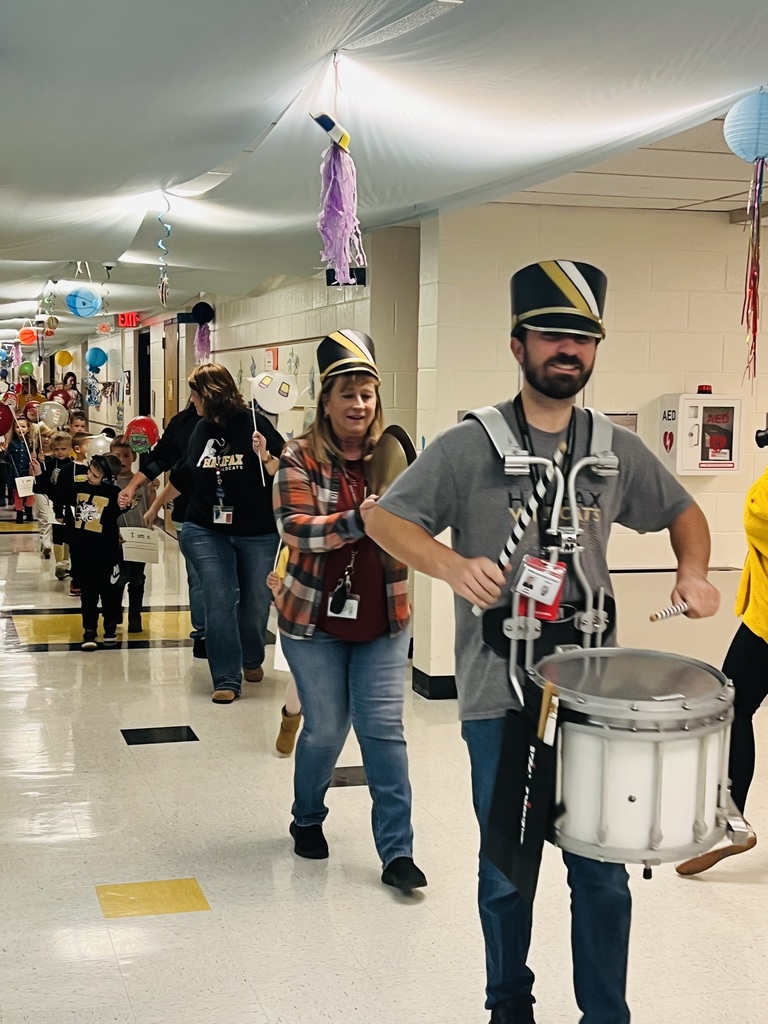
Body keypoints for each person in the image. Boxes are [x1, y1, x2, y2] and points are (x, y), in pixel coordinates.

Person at [366, 261, 720, 1022]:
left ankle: (605, 1014)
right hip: (500, 696)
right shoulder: (470, 446)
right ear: (518, 344)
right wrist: (451, 565)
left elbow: (684, 511)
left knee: (601, 875)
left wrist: (692, 572)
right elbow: (384, 519)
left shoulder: (614, 448)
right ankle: (508, 1005)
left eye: (584, 338)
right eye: (553, 335)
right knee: (506, 872)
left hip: (596, 702)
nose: (569, 350)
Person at [273, 330, 425, 891]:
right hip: (314, 620)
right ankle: (307, 817)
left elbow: (423, 522)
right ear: (326, 399)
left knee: (384, 730)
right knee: (327, 730)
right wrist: (363, 518)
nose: (359, 405)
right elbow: (296, 530)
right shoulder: (298, 456)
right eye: (348, 394)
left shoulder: (397, 453)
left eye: (367, 395)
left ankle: (398, 853)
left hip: (385, 617)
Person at [145, 362, 284, 703]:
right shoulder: (200, 430)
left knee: (255, 602)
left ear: (209, 394)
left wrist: (265, 456)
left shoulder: (255, 424)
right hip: (205, 527)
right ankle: (225, 678)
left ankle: (251, 656)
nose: (192, 402)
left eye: (195, 394)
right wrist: (154, 507)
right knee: (220, 598)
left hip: (258, 530)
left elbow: (290, 467)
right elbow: (185, 475)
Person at [675, 466, 767, 876]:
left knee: (733, 707)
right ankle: (730, 821)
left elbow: (758, 512)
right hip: (762, 619)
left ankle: (730, 821)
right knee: (731, 707)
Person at [118, 399, 205, 656]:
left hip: (235, 517)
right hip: (190, 513)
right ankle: (203, 633)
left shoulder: (239, 421)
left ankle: (231, 632)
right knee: (198, 576)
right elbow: (162, 461)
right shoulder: (182, 424)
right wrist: (137, 488)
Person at [111, 436, 152, 633]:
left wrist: (152, 491)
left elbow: (148, 507)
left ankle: (136, 615)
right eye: (117, 456)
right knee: (118, 577)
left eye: (126, 455)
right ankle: (115, 610)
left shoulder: (141, 483)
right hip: (117, 540)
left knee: (138, 579)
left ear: (134, 457)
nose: (122, 460)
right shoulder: (109, 483)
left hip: (138, 539)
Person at [267, 545, 302, 756]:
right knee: (298, 677)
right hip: (299, 618)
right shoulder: (290, 551)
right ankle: (290, 722)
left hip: (335, 620)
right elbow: (279, 592)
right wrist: (276, 588)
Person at [31, 431, 73, 577]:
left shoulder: (72, 465)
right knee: (57, 532)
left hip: (68, 503)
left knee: (68, 532)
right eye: (56, 449)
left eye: (63, 449)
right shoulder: (49, 463)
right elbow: (43, 481)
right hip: (54, 501)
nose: (59, 452)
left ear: (70, 448)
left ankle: (66, 560)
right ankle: (59, 563)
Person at [7, 418, 34, 523]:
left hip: (28, 472)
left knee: (30, 493)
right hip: (16, 472)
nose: (20, 429)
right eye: (17, 427)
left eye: (23, 426)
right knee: (18, 494)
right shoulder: (12, 443)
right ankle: (19, 513)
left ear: (28, 428)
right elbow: (9, 457)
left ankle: (29, 510)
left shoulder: (31, 443)